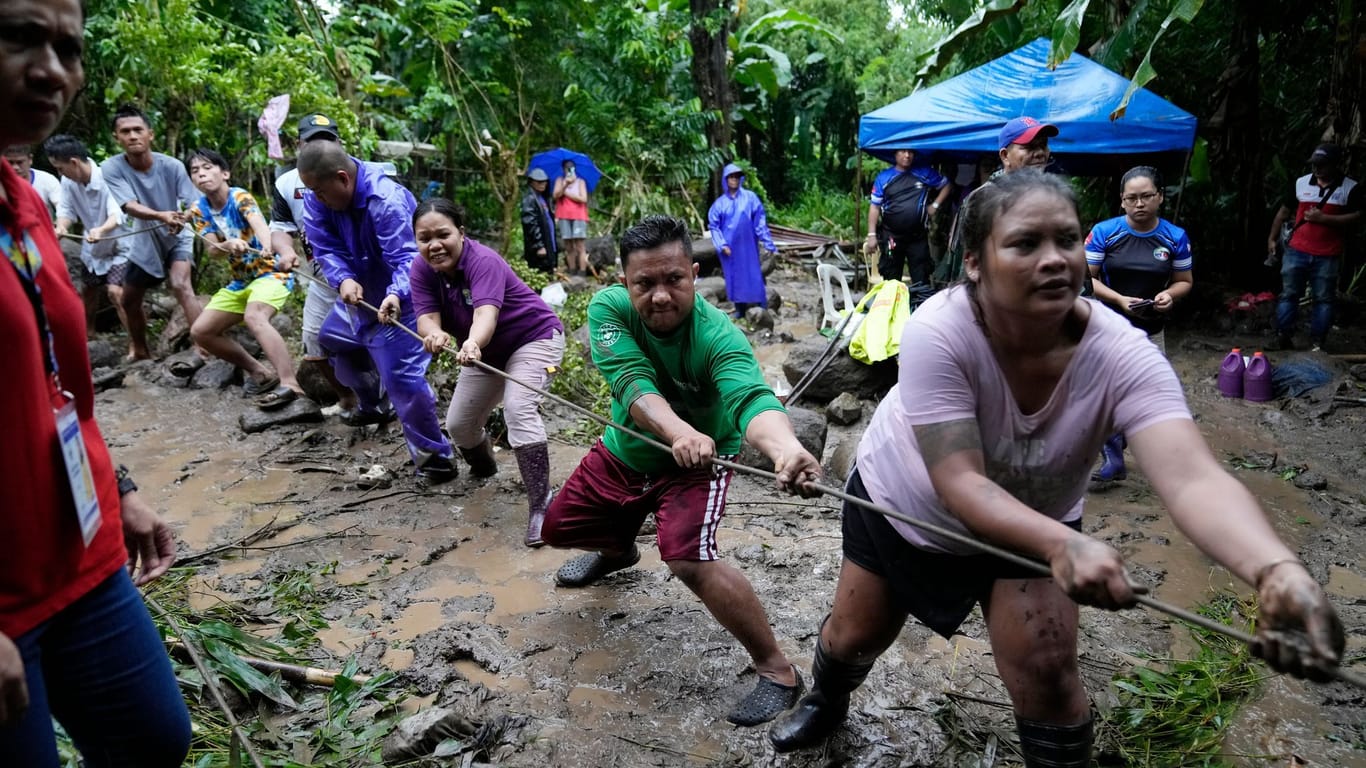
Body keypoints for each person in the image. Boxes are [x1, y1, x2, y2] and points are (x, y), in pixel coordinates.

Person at [769, 171, 1345, 763]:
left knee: (1046, 669)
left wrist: (1275, 570)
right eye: (1024, 244)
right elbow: (960, 482)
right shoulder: (938, 330)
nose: (1053, 260)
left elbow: (1194, 477)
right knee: (856, 634)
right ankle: (827, 700)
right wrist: (1063, 547)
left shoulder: (1121, 353)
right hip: (909, 508)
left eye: (1067, 240)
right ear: (975, 263)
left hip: (1035, 521)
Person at [0, 1, 192, 764]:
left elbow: (56, 383)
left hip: (79, 553)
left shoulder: (22, 206)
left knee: (154, 739)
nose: (52, 68)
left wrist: (120, 489)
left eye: (68, 48)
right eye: (20, 36)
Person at [540, 215, 824, 727]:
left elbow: (751, 398)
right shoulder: (608, 308)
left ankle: (778, 670)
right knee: (557, 528)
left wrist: (784, 450)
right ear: (625, 283)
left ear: (694, 274)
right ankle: (617, 549)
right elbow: (632, 381)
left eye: (674, 280)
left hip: (697, 467)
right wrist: (678, 433)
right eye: (644, 284)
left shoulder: (720, 337)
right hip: (627, 451)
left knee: (687, 556)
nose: (661, 297)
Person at [297, 139, 457, 482]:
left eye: (320, 191)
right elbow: (324, 245)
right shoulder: (317, 197)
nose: (315, 198)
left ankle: (436, 460)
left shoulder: (385, 200)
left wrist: (396, 294)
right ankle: (374, 405)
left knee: (404, 380)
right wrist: (342, 279)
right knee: (332, 339)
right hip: (359, 299)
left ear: (343, 178)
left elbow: (408, 258)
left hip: (404, 302)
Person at [408, 199, 565, 545]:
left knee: (518, 407)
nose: (434, 245)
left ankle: (542, 506)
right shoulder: (420, 269)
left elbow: (485, 316)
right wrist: (432, 334)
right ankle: (486, 469)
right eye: (424, 238)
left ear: (461, 233)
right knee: (459, 425)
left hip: (534, 339)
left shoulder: (483, 261)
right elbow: (426, 316)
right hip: (485, 352)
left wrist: (472, 342)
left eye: (443, 234)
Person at [1085, 166, 1193, 483]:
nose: (1139, 204)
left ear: (1160, 197)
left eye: (1146, 196)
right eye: (1131, 198)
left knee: (1145, 393)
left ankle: (1133, 449)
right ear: (1122, 201)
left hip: (1151, 327)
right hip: (1107, 325)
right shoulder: (1105, 232)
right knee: (1104, 391)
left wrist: (1169, 295)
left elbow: (1184, 281)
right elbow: (1086, 279)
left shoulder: (1175, 237)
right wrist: (1118, 298)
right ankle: (1113, 456)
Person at [183, 147, 304, 409]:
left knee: (254, 316)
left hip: (270, 273)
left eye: (207, 168)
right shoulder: (198, 209)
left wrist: (265, 245)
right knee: (201, 331)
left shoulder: (239, 196)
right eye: (195, 171)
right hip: (240, 282)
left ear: (224, 173)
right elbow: (212, 249)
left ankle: (290, 383)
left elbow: (260, 224)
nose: (201, 174)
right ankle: (260, 372)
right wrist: (229, 244)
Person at [268, 114, 357, 414]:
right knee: (314, 340)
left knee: (373, 337)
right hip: (320, 274)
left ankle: (380, 401)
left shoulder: (352, 172)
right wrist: (284, 251)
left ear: (338, 143)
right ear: (299, 144)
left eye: (327, 139)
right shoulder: (286, 183)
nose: (319, 145)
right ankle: (347, 398)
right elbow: (280, 228)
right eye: (311, 140)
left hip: (361, 273)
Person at [101, 104, 203, 363]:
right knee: (129, 299)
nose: (133, 136)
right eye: (126, 131)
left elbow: (193, 201)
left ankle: (205, 347)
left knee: (181, 285)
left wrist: (184, 218)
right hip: (145, 235)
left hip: (178, 231)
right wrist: (160, 216)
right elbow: (129, 205)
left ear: (150, 134)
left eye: (138, 130)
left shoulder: (172, 165)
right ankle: (140, 349)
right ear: (117, 137)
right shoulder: (112, 168)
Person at [940, 116, 1059, 286]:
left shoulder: (1055, 199)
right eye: (1029, 147)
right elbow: (963, 266)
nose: (1040, 153)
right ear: (1005, 156)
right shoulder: (983, 201)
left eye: (1043, 145)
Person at [1267, 143, 1361, 352]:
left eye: (1322, 165)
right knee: (1289, 293)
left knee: (1324, 299)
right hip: (1297, 249)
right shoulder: (1301, 183)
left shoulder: (1350, 188)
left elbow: (1357, 218)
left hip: (1328, 253)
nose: (1317, 168)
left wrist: (1324, 219)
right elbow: (1284, 212)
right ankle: (1282, 336)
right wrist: (1272, 238)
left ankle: (1318, 343)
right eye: (1314, 164)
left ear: (1335, 165)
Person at [44, 134, 131, 333]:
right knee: (88, 290)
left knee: (116, 293)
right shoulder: (68, 182)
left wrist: (101, 230)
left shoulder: (106, 177)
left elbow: (116, 214)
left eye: (60, 167)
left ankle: (136, 345)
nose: (60, 172)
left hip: (119, 245)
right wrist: (61, 227)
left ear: (73, 162)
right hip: (92, 248)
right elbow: (66, 211)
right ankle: (87, 333)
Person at [862, 148, 953, 286]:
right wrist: (871, 234)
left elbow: (947, 185)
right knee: (890, 280)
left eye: (910, 152)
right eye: (902, 151)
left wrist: (934, 206)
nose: (907, 155)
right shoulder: (884, 178)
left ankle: (919, 307)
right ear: (895, 154)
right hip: (891, 237)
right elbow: (874, 207)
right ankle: (893, 306)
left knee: (921, 278)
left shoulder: (925, 173)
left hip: (917, 238)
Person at [708, 162, 777, 318]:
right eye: (731, 177)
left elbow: (759, 221)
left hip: (748, 246)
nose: (734, 179)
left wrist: (768, 243)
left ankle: (762, 307)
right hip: (730, 249)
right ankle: (740, 310)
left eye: (737, 176)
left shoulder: (750, 198)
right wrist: (721, 244)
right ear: (725, 179)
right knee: (735, 278)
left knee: (754, 275)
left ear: (741, 179)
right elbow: (714, 226)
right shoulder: (720, 204)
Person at [4, 144, 62, 219]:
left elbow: (62, 207)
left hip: (41, 229)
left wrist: (61, 225)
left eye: (20, 162)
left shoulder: (46, 179)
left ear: (30, 159)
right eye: (10, 163)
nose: (15, 167)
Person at [553, 158, 590, 275]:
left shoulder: (580, 182)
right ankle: (572, 269)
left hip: (579, 215)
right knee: (568, 245)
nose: (569, 170)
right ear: (563, 169)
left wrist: (567, 193)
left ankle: (582, 271)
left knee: (580, 245)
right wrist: (565, 186)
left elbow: (583, 199)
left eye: (571, 167)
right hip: (563, 215)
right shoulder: (560, 180)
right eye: (566, 168)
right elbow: (555, 195)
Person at [519, 167, 557, 274]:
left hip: (548, 243)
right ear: (532, 182)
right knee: (540, 274)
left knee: (548, 272)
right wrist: (539, 245)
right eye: (539, 182)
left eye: (544, 182)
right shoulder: (529, 198)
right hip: (539, 247)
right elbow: (530, 224)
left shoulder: (543, 198)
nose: (543, 184)